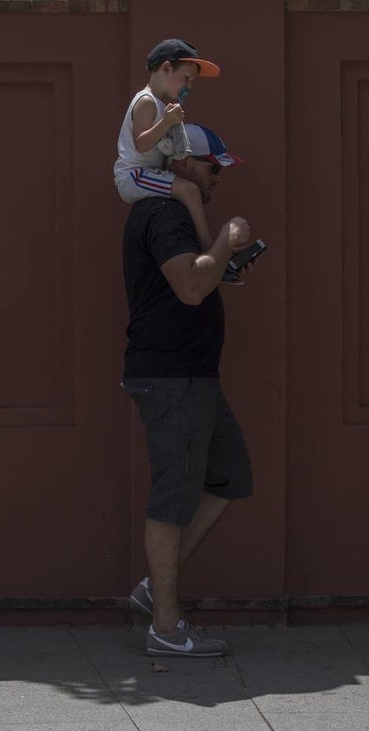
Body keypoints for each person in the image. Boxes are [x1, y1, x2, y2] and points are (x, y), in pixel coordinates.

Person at [120, 125, 254, 658]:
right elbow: (192, 286)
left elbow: (200, 277)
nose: (217, 176)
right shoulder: (164, 213)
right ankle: (166, 629)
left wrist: (225, 260)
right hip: (172, 376)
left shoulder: (177, 212)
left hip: (194, 374)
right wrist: (227, 239)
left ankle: (156, 588)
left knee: (230, 474)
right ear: (180, 162)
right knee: (172, 498)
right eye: (211, 166)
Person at [113, 38, 220, 252]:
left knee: (186, 190)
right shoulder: (146, 102)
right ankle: (208, 248)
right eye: (186, 79)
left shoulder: (161, 104)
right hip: (133, 175)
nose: (189, 86)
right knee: (189, 190)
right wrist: (166, 123)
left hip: (148, 172)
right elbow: (141, 144)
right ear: (167, 68)